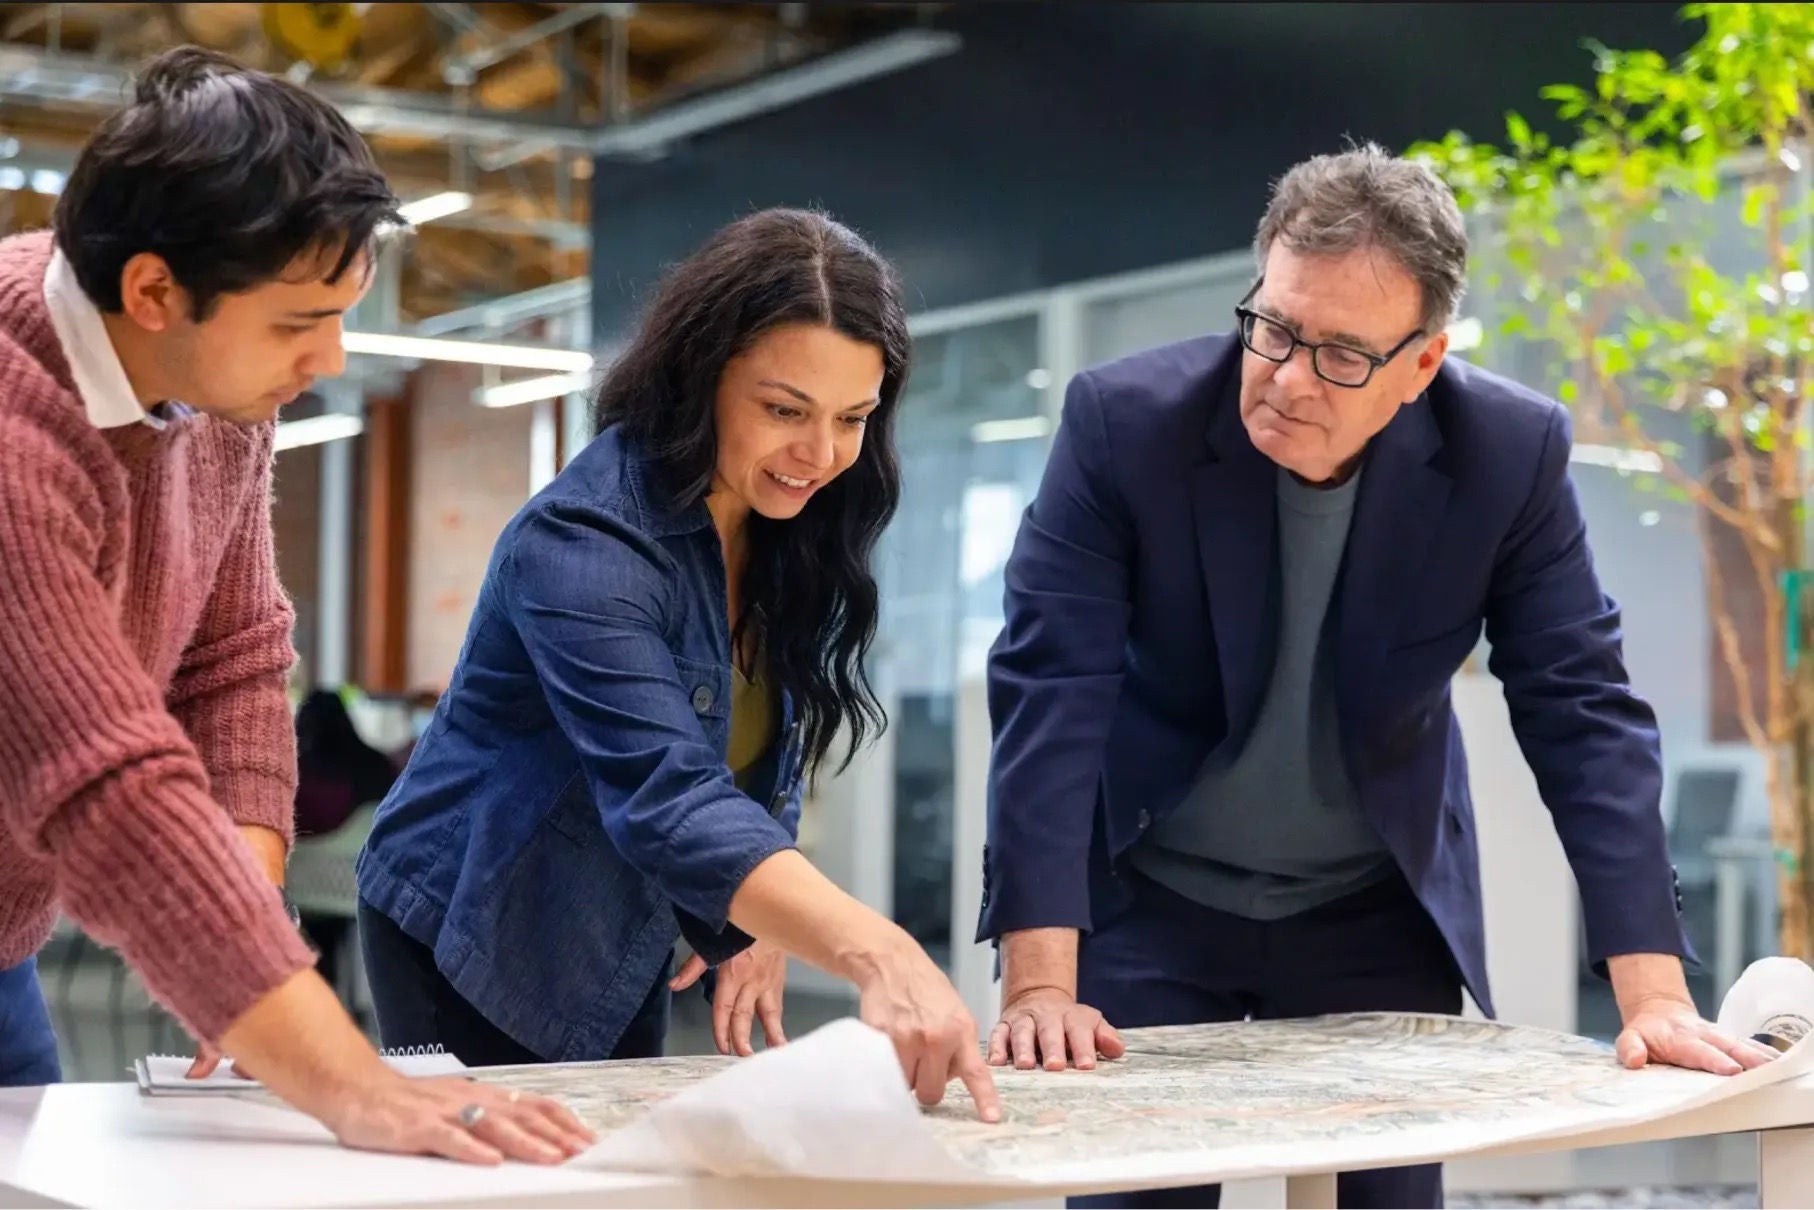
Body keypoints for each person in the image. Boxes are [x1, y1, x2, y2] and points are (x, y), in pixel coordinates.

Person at [975, 143, 1777, 1208]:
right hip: (1150, 890)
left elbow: (1579, 705)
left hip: (1370, 908)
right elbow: (1050, 689)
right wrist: (1039, 975)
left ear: (1421, 363)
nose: (1287, 377)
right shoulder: (1124, 424)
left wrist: (1650, 986)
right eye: (1272, 327)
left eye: (1341, 355)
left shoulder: (1506, 452)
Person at [0, 46, 591, 1165]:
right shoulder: (16, 433)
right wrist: (351, 1082)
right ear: (154, 291)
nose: (327, 359)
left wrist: (247, 917)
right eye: (296, 322)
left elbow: (230, 656)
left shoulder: (215, 380)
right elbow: (106, 783)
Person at [355, 207, 1002, 1121]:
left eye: (852, 418)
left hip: (620, 916)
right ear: (700, 376)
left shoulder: (788, 527)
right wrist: (877, 949)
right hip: (477, 921)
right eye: (784, 410)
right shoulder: (584, 542)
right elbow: (669, 788)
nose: (819, 455)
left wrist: (753, 908)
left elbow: (758, 749)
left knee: (613, 1173)